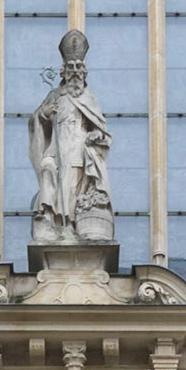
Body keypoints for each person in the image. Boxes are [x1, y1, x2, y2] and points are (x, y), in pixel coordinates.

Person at [29, 29, 114, 243]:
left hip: (78, 145)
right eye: (70, 68)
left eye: (78, 68)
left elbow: (100, 128)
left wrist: (95, 136)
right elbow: (37, 120)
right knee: (48, 169)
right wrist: (44, 114)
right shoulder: (55, 95)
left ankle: (69, 224)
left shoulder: (89, 98)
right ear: (64, 71)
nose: (74, 72)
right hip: (57, 145)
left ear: (83, 72)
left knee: (73, 184)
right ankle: (50, 217)